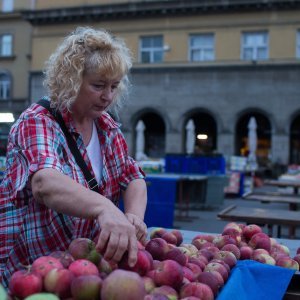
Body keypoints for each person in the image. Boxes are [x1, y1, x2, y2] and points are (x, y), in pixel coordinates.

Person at [0, 26, 147, 287]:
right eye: (98, 85)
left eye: (114, 86)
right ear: (71, 79)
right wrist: (105, 208)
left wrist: (134, 217)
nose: (108, 96)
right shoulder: (37, 122)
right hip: (30, 271)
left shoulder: (106, 126)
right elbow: (45, 183)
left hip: (84, 273)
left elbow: (132, 175)